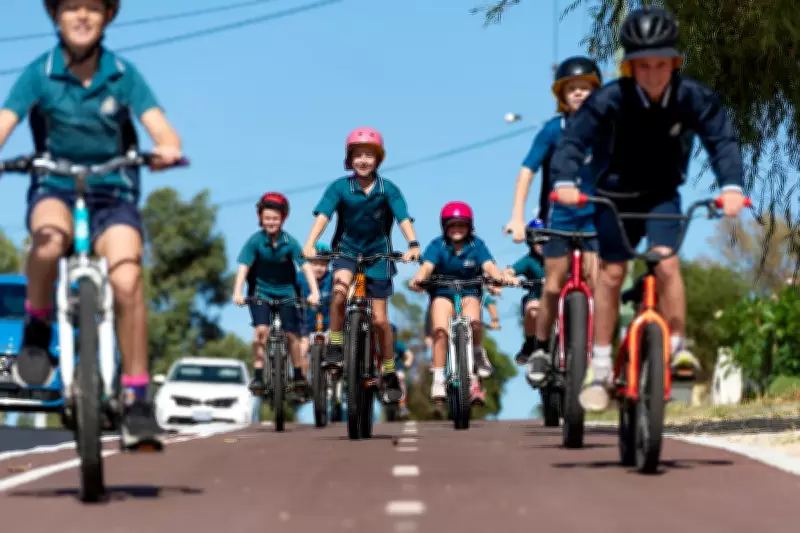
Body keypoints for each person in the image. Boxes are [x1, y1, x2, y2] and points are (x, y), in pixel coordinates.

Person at [0, 0, 183, 448]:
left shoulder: (123, 74)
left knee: (127, 277)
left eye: (93, 8)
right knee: (47, 241)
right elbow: (5, 120)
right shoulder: (38, 73)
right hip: (55, 188)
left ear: (107, 18)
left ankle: (138, 397)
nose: (82, 16)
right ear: (56, 17)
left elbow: (161, 128)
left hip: (113, 194)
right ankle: (38, 326)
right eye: (72, 7)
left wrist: (167, 148)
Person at [549, 6, 747, 411]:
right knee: (611, 272)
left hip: (661, 197)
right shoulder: (610, 100)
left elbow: (722, 140)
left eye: (661, 65)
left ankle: (676, 347)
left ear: (674, 63)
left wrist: (731, 187)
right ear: (630, 67)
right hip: (613, 197)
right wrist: (565, 182)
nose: (653, 74)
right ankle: (601, 364)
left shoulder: (693, 97)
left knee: (667, 263)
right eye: (643, 66)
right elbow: (574, 142)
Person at [303, 127, 421, 405]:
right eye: (358, 155)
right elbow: (324, 215)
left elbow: (404, 218)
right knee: (340, 291)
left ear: (378, 159)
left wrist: (413, 243)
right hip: (346, 250)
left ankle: (389, 372)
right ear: (350, 159)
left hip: (379, 255)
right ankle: (335, 342)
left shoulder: (387, 189)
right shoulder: (340, 187)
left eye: (369, 155)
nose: (363, 160)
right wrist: (311, 242)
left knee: (381, 320)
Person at [507, 57, 603, 386]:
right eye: (572, 89)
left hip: (595, 218)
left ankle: (594, 353)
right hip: (559, 219)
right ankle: (541, 350)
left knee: (597, 283)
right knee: (550, 286)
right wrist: (518, 217)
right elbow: (527, 172)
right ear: (562, 95)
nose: (579, 94)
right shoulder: (553, 130)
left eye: (586, 88)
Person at [409, 201, 508, 409]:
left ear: (469, 227)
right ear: (444, 227)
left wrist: (497, 277)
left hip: (469, 292)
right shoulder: (437, 245)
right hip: (442, 293)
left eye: (461, 225)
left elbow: (489, 265)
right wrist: (418, 279)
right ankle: (438, 379)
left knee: (474, 322)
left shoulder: (476, 245)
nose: (456, 230)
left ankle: (478, 352)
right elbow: (427, 267)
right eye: (452, 225)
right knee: (439, 331)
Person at [233, 193, 320, 400]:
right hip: (260, 292)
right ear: (260, 218)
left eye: (275, 218)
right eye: (267, 218)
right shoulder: (254, 241)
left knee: (292, 335)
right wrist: (237, 292)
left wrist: (314, 291)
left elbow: (306, 267)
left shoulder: (290, 242)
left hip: (287, 292)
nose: (271, 222)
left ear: (283, 219)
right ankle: (258, 376)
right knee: (261, 331)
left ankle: (298, 375)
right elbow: (243, 268)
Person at [505, 218, 546, 382]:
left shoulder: (560, 259)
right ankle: (530, 343)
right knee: (533, 309)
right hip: (537, 299)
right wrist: (509, 278)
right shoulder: (529, 261)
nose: (542, 243)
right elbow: (509, 271)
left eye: (545, 237)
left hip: (561, 304)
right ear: (530, 241)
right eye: (537, 239)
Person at [423, 290, 499, 374]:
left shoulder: (471, 285)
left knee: (474, 325)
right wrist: (428, 335)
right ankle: (437, 361)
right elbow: (430, 316)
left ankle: (477, 354)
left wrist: (494, 320)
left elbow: (489, 303)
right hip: (446, 320)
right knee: (440, 334)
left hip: (466, 319)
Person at [298, 242, 334, 377]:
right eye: (314, 264)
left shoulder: (331, 278)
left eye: (323, 264)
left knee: (335, 343)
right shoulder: (300, 278)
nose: (319, 268)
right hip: (306, 324)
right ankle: (301, 379)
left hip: (328, 324)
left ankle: (333, 377)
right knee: (302, 348)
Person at [390, 324, 414, 419]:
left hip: (398, 369)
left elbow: (409, 354)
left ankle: (403, 405)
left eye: (392, 334)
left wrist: (408, 362)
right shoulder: (380, 345)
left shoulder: (398, 344)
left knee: (401, 380)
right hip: (383, 370)